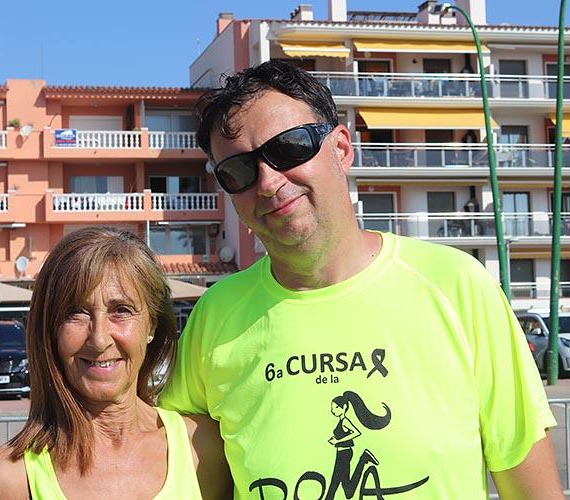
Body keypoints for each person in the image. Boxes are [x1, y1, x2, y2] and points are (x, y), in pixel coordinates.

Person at [160, 60, 563, 499]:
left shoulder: (457, 286)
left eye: (290, 148)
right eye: (238, 171)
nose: (269, 182)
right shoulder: (215, 316)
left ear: (341, 148)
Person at [0, 227, 231, 499]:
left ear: (152, 324)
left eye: (121, 310)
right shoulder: (4, 481)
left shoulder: (201, 449)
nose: (99, 339)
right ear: (50, 331)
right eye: (76, 313)